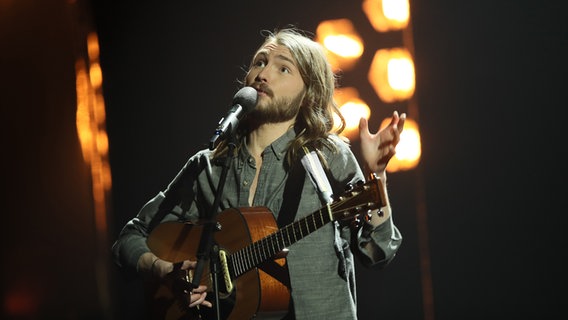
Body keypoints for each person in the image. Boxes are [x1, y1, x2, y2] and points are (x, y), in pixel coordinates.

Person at [111, 26, 406, 320]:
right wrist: (161, 269)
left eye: (284, 69)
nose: (264, 74)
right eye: (260, 62)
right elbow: (129, 239)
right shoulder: (209, 167)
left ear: (308, 94)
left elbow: (377, 252)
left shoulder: (328, 158)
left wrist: (376, 176)